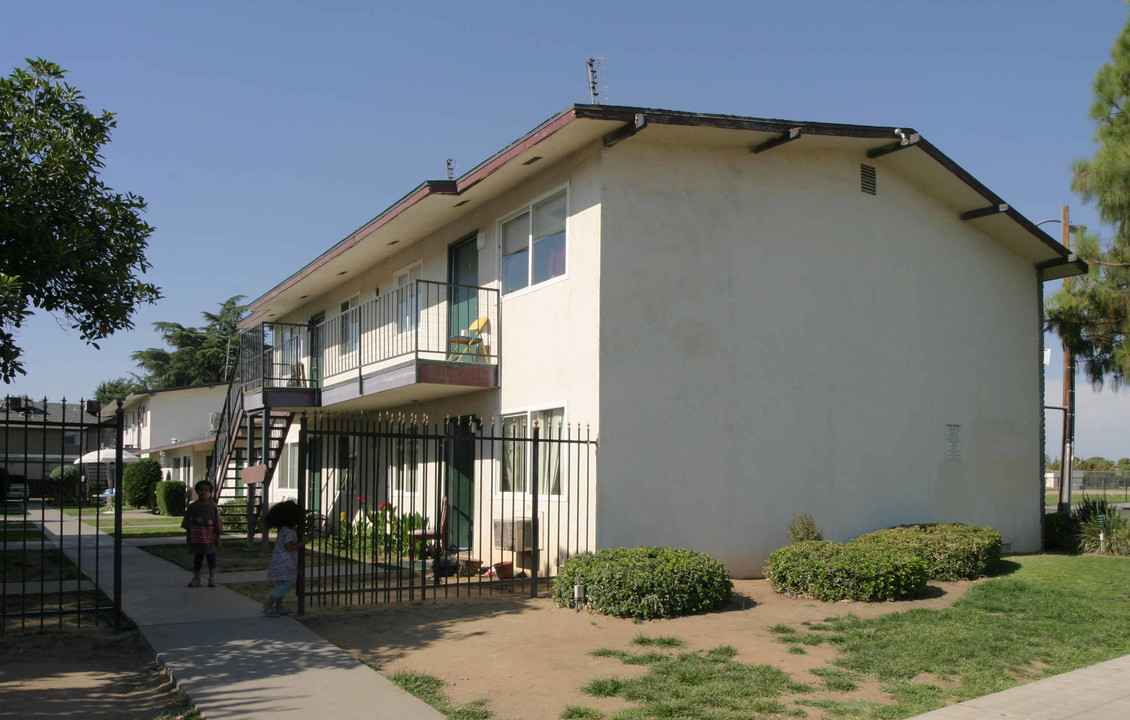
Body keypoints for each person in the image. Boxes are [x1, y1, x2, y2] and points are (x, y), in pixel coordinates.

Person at [262, 500, 307, 617]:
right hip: (285, 563)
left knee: (281, 584)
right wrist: (302, 543)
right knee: (285, 585)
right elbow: (289, 547)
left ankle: (279, 607)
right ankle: (269, 603)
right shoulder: (289, 532)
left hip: (279, 562)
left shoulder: (282, 530)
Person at [181, 480, 222, 587]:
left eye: (206, 490)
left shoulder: (213, 506)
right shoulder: (192, 507)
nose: (204, 492)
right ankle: (197, 577)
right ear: (197, 491)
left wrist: (218, 537)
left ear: (209, 492)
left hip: (210, 538)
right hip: (196, 538)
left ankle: (212, 577)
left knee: (211, 557)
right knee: (198, 557)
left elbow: (217, 522)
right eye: (201, 490)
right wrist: (188, 536)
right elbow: (187, 522)